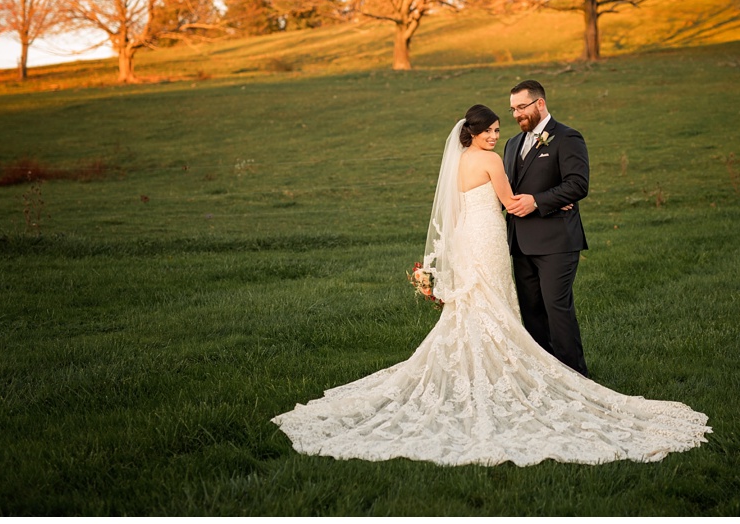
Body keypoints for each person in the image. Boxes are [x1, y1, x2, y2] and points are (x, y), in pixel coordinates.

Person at [271, 105, 708, 466]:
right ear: (473, 134)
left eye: (501, 129)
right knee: (496, 301)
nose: (498, 136)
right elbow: (510, 202)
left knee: (475, 306)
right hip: (490, 238)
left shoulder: (457, 163)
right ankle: (506, 367)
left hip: (466, 240)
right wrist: (555, 197)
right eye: (492, 130)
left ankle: (484, 366)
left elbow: (456, 213)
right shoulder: (491, 161)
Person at [503, 80, 591, 377]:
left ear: (540, 103)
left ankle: (576, 377)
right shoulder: (512, 144)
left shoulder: (567, 137)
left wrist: (539, 202)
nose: (516, 114)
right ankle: (547, 377)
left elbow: (578, 184)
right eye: (513, 109)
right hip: (520, 242)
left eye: (522, 107)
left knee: (557, 309)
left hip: (556, 241)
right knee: (532, 314)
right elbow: (508, 190)